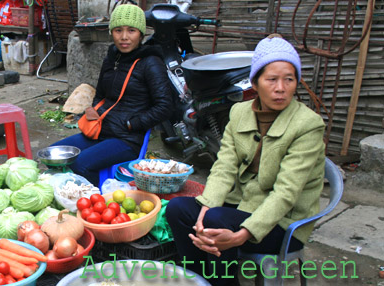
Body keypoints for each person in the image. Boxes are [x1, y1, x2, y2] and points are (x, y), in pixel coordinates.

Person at [166, 34, 326, 286]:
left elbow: (286, 193)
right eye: (272, 79)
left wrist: (241, 235)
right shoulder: (239, 112)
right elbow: (224, 166)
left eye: (289, 79)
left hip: (283, 222)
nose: (281, 88)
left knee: (216, 222)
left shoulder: (308, 125)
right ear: (255, 82)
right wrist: (205, 207)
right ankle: (199, 281)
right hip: (242, 204)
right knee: (179, 211)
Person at [50, 4, 174, 185]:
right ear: (111, 32)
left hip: (127, 139)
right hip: (100, 131)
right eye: (118, 30)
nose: (124, 37)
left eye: (131, 30)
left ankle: (95, 202)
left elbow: (165, 106)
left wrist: (133, 124)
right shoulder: (112, 58)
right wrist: (95, 112)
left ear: (140, 34)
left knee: (81, 163)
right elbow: (100, 94)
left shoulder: (151, 63)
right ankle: (68, 196)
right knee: (55, 155)